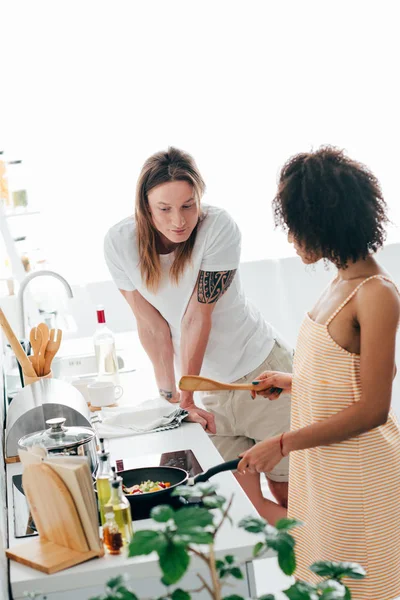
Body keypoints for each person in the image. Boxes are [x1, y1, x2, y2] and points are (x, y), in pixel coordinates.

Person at [238, 146, 400, 599]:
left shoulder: (376, 294)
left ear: (323, 223)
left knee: (358, 588)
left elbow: (373, 406)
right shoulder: (339, 283)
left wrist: (283, 443)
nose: (291, 238)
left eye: (294, 227)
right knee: (321, 582)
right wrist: (293, 383)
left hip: (359, 473)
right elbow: (348, 371)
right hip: (325, 468)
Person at [104, 147, 291, 523]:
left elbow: (196, 317)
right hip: (210, 392)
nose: (178, 220)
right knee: (244, 510)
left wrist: (186, 396)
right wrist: (172, 398)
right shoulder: (119, 243)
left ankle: (320, 574)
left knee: (292, 499)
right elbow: (152, 326)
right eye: (165, 208)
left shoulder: (218, 228)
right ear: (145, 206)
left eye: (188, 206)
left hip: (262, 377)